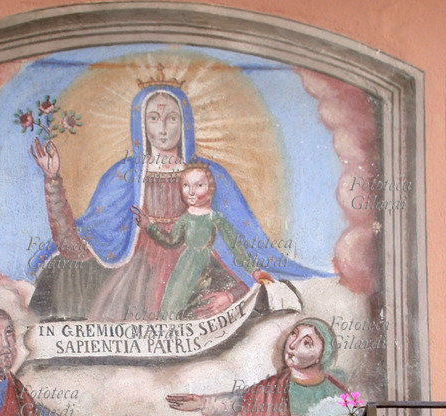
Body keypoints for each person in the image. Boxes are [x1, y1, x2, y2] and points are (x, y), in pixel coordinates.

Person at [29, 79, 327, 322]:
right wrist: (52, 182)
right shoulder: (125, 176)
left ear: (184, 123)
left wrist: (232, 294)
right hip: (135, 276)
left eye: (172, 118)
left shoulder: (209, 176)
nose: (163, 128)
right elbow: (75, 246)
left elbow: (237, 246)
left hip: (198, 269)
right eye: (154, 118)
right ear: (141, 125)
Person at [166, 318, 346, 416]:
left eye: (306, 343)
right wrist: (201, 403)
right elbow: (241, 402)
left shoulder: (333, 394)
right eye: (294, 334)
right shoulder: (270, 388)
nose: (292, 345)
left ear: (320, 358)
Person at [132, 164, 273, 318]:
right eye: (186, 185)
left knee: (206, 304)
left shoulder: (215, 218)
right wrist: (149, 227)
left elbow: (234, 246)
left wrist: (253, 270)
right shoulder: (185, 218)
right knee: (172, 305)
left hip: (207, 267)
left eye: (199, 185)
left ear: (210, 190)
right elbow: (171, 241)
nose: (191, 192)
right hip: (184, 267)